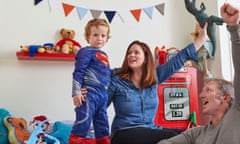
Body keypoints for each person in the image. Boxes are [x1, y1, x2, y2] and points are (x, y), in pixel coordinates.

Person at [79, 21, 208, 144]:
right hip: (124, 133)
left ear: (146, 58)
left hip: (150, 130)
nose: (131, 55)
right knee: (177, 136)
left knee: (189, 134)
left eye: (136, 52)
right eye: (129, 53)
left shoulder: (155, 77)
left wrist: (201, 39)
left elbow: (180, 59)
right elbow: (99, 105)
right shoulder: (116, 81)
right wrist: (88, 95)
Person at [157, 2, 240, 144]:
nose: (201, 95)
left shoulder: (236, 113)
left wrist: (233, 28)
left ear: (226, 97)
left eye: (208, 90)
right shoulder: (196, 133)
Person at [68, 18, 111, 144]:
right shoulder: (85, 52)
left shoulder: (104, 55)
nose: (100, 38)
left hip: (102, 96)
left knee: (102, 122)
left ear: (107, 38)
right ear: (88, 37)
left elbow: (106, 75)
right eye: (95, 35)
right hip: (89, 94)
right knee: (84, 120)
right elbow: (78, 71)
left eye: (103, 35)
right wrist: (76, 92)